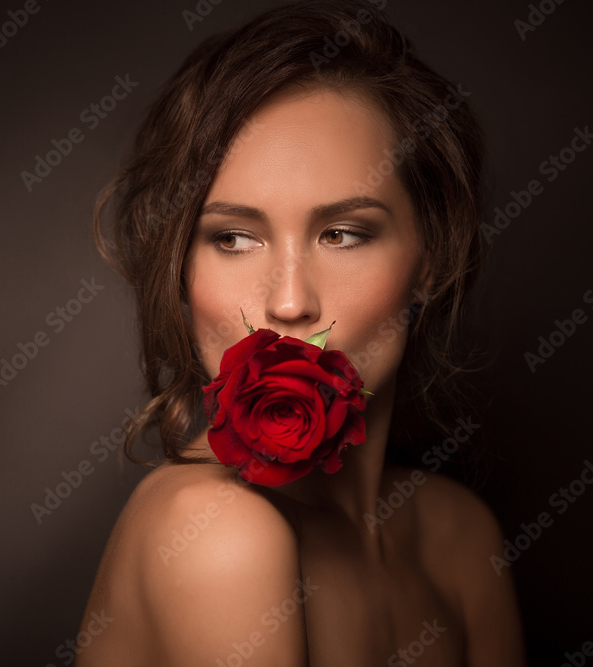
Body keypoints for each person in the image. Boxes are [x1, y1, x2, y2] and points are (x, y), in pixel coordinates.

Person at [77, 1, 526, 664]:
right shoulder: (217, 535)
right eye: (233, 237)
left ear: (432, 260)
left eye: (343, 234)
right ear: (179, 266)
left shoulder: (460, 536)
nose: (289, 302)